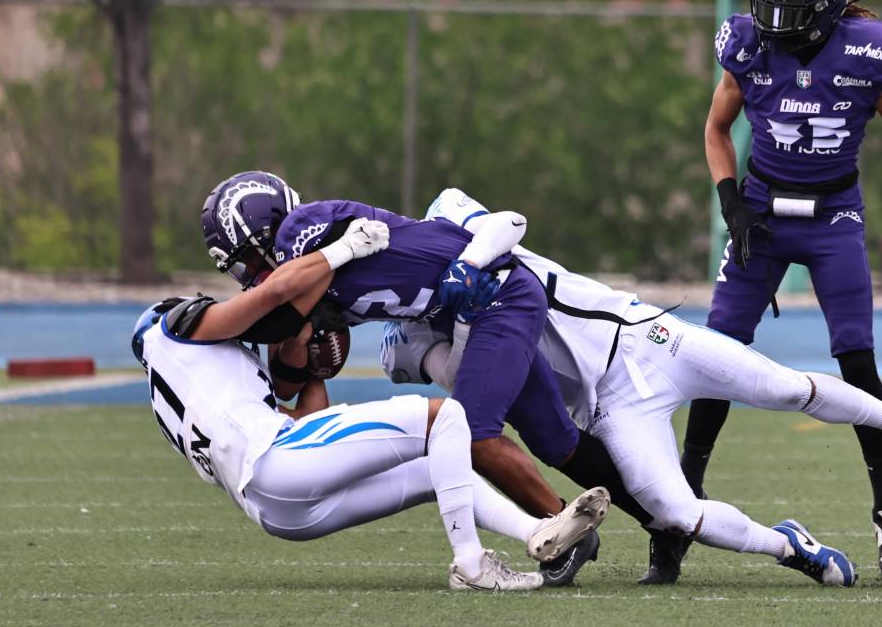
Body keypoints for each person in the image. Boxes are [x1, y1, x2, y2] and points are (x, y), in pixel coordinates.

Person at [381, 188, 882, 588]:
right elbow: (468, 386)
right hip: (609, 403)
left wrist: (463, 274)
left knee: (784, 387)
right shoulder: (404, 332)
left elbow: (502, 225)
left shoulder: (448, 217)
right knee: (674, 509)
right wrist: (456, 319)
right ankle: (788, 546)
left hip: (645, 336)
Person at [665, 0, 882, 584]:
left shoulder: (867, 54)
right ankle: (678, 513)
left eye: (785, 10)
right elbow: (715, 128)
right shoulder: (746, 47)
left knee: (857, 363)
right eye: (765, 6)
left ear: (824, 11)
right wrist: (730, 201)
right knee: (716, 356)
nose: (769, 23)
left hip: (832, 217)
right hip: (762, 213)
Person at [132, 217, 608, 591]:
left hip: (276, 510)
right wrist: (342, 250)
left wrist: (315, 360)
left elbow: (308, 421)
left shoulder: (174, 397)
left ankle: (537, 533)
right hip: (281, 462)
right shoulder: (176, 325)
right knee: (449, 417)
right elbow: (275, 290)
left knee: (431, 473)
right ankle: (471, 564)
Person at [198, 171, 659, 556]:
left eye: (245, 260)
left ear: (267, 228)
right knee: (555, 439)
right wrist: (299, 346)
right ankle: (661, 521)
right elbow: (286, 378)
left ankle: (563, 529)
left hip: (496, 295)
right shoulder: (304, 278)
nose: (247, 277)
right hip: (465, 317)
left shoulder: (303, 227)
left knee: (471, 431)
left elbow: (276, 304)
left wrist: (227, 323)